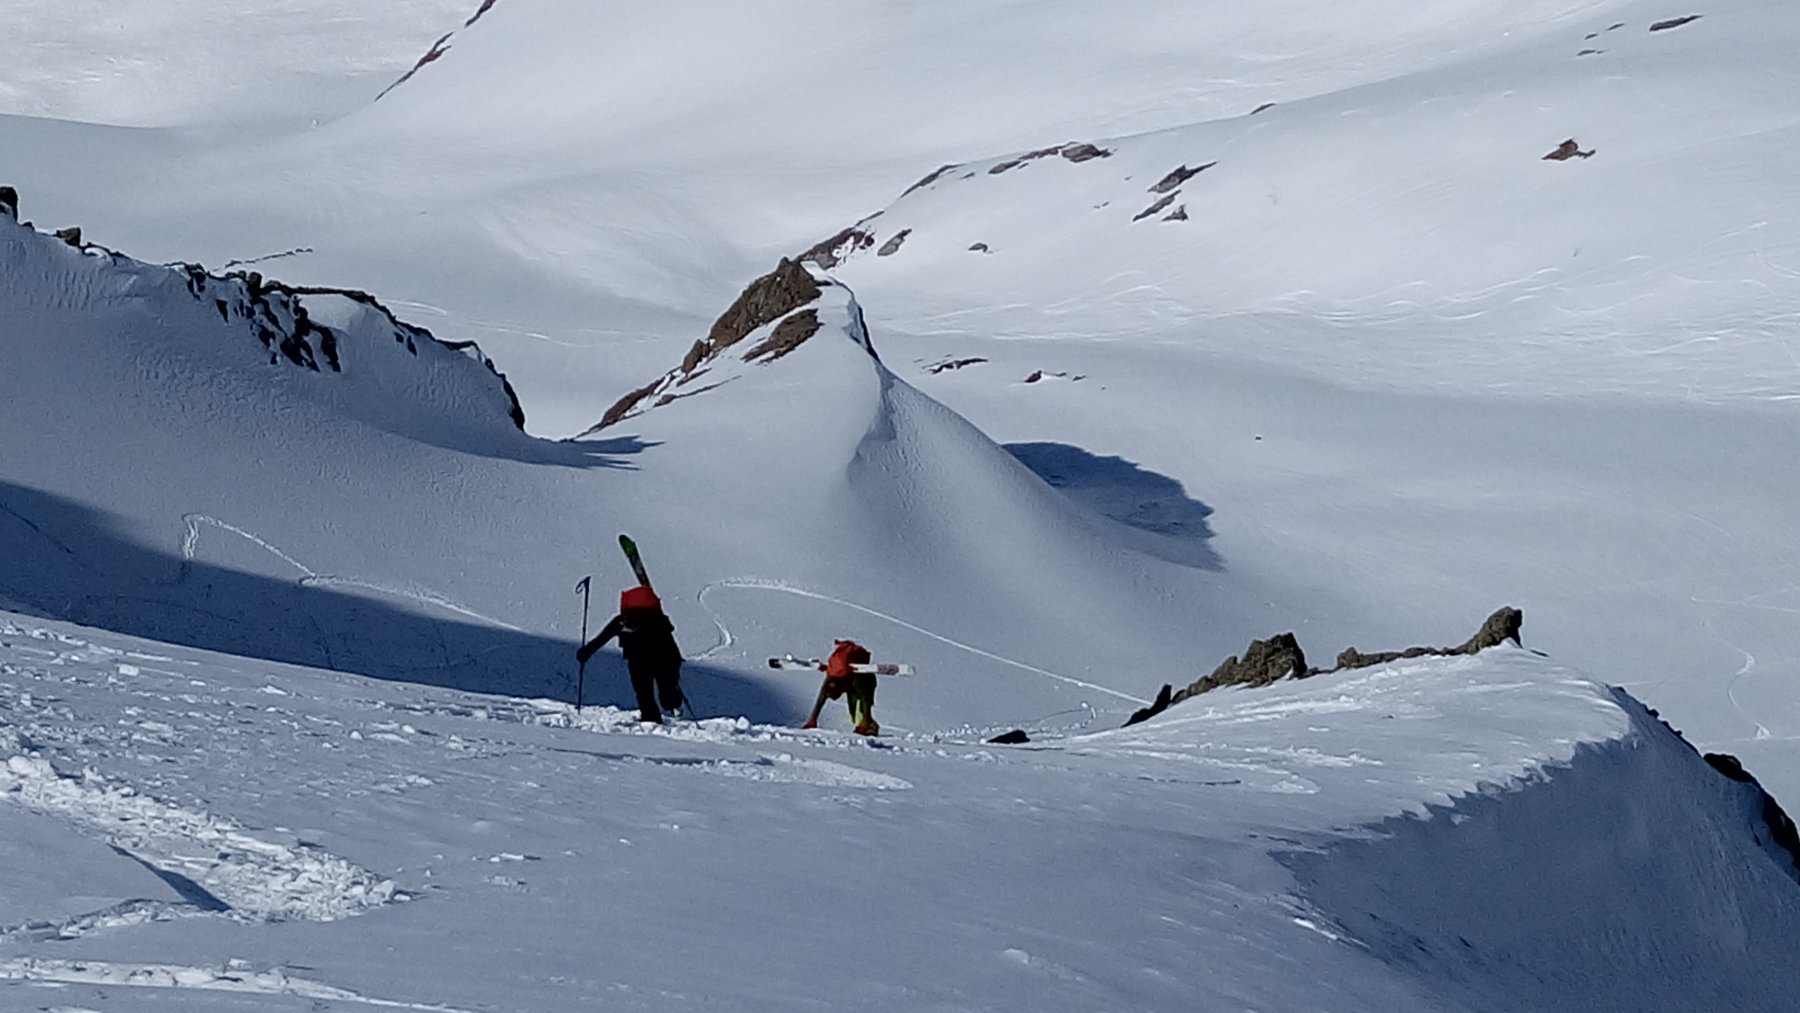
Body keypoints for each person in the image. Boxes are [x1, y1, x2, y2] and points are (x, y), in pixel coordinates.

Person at [575, 585, 684, 723]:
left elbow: (603, 637)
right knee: (646, 693)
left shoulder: (628, 621)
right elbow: (604, 637)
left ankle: (667, 709)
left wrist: (587, 651)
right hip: (644, 661)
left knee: (654, 694)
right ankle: (652, 719)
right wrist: (587, 651)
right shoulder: (652, 619)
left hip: (662, 659)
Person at [802, 639, 879, 736]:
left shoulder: (857, 682)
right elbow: (820, 701)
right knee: (854, 716)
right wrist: (812, 720)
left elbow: (866, 699)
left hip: (866, 681)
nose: (834, 699)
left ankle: (870, 727)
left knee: (860, 711)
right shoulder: (829, 681)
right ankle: (864, 725)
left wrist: (867, 718)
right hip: (849, 682)